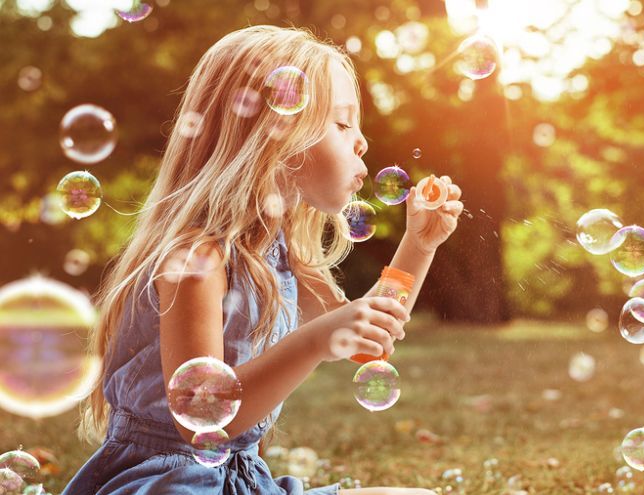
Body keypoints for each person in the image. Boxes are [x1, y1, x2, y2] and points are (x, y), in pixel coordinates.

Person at [63, 25, 463, 495]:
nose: (362, 143)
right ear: (273, 138)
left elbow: (366, 341)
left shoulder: (283, 259)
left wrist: (419, 246)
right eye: (340, 123)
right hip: (168, 482)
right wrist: (316, 342)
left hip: (241, 480)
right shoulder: (197, 261)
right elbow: (201, 422)